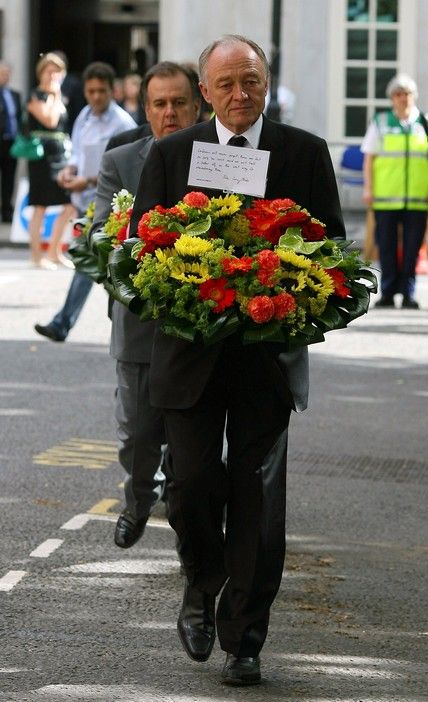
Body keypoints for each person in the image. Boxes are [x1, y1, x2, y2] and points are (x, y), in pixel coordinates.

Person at [129, 34, 345, 686]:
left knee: (258, 499)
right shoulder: (172, 155)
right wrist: (179, 290)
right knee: (191, 488)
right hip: (188, 359)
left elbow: (334, 249)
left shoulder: (303, 153)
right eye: (225, 84)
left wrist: (297, 291)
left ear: (266, 81)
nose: (240, 94)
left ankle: (245, 637)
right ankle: (202, 585)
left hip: (263, 360)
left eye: (250, 81)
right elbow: (140, 255)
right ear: (206, 91)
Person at [90, 61, 200, 548]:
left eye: (180, 103)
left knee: (192, 446)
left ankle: (189, 529)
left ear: (198, 107)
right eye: (160, 104)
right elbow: (97, 232)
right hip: (138, 323)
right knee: (137, 434)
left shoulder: (220, 159)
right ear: (147, 109)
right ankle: (138, 501)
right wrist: (125, 241)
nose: (170, 112)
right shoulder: (121, 159)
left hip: (200, 326)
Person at [34, 61, 136, 343]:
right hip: (84, 203)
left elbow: (125, 170)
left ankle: (65, 323)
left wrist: (89, 180)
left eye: (101, 91)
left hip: (112, 208)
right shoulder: (84, 117)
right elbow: (77, 153)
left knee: (94, 263)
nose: (96, 97)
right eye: (91, 91)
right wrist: (70, 170)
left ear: (111, 91)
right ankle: (75, 323)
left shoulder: (123, 123)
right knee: (94, 264)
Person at [361, 73, 428, 309]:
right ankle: (388, 292)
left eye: (407, 94)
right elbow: (369, 158)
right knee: (386, 246)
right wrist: (368, 188)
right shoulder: (381, 123)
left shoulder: (427, 124)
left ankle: (408, 293)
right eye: (398, 94)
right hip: (385, 198)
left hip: (418, 199)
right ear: (391, 98)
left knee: (412, 248)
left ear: (414, 96)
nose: (403, 98)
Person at [26, 52, 75, 268]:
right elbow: (50, 119)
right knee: (40, 206)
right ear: (41, 72)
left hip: (60, 155)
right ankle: (36, 256)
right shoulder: (36, 96)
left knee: (70, 203)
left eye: (57, 71)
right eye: (49, 70)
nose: (53, 75)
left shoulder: (60, 96)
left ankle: (54, 250)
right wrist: (54, 95)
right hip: (41, 158)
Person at [0, 60, 21, 223]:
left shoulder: (15, 95)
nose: (4, 77)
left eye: (7, 74)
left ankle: (7, 210)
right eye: (2, 73)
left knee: (9, 178)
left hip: (12, 143)